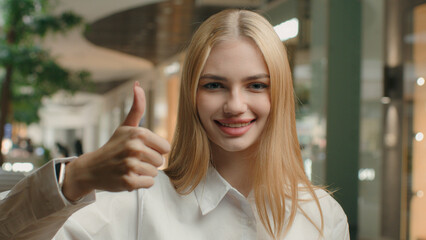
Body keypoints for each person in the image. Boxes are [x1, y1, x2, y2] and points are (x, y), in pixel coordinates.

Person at [0, 9, 349, 239]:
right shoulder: (137, 203)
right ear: (191, 96)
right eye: (214, 85)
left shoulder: (322, 217)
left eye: (257, 85)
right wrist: (78, 177)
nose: (235, 105)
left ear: (281, 95)